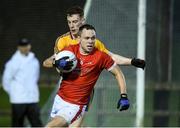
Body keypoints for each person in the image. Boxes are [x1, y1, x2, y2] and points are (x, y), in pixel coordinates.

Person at [43, 6, 145, 126]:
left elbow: (111, 58)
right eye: (69, 22)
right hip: (65, 90)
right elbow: (51, 61)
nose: (71, 25)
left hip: (83, 93)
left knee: (69, 123)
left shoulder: (94, 44)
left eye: (75, 22)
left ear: (83, 21)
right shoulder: (63, 42)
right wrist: (58, 64)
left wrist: (131, 61)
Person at [46, 24, 130, 127]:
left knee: (49, 126)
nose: (90, 41)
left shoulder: (101, 57)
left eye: (93, 38)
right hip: (60, 99)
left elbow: (118, 73)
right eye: (87, 38)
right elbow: (46, 62)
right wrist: (56, 63)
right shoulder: (70, 51)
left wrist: (124, 95)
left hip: (76, 105)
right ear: (79, 39)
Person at [2, 38, 42, 127]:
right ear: (19, 47)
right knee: (17, 125)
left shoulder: (34, 61)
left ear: (29, 46)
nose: (25, 48)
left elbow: (36, 77)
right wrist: (14, 93)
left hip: (32, 99)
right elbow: (6, 81)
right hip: (18, 100)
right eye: (22, 46)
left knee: (37, 124)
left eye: (26, 46)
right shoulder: (12, 62)